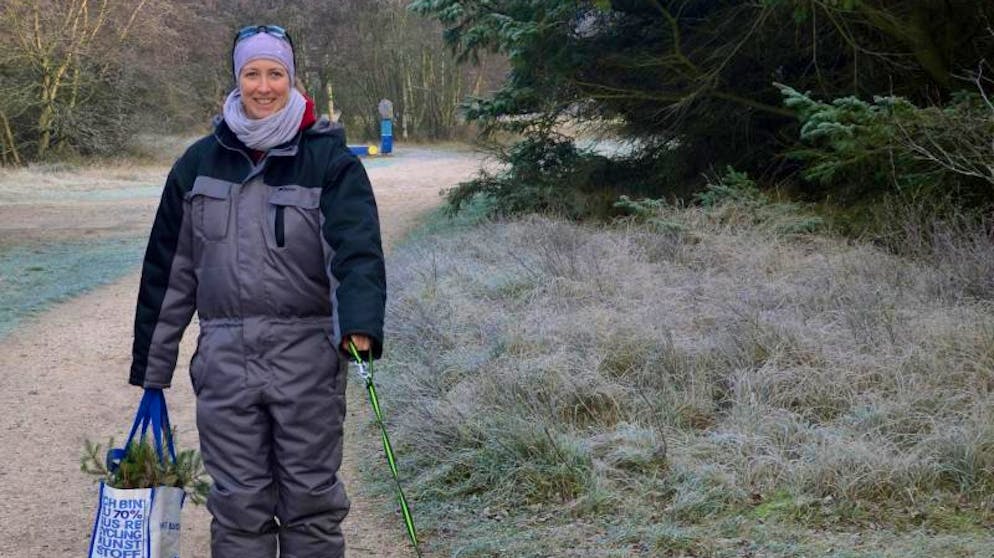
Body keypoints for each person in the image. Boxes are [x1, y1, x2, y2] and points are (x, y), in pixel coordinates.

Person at [127, 24, 385, 558]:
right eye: (252, 74)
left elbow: (355, 254)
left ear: (292, 80)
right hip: (225, 362)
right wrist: (154, 370)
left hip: (307, 359)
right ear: (236, 80)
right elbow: (167, 271)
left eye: (275, 74)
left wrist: (357, 325)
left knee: (310, 501)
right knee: (237, 503)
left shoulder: (330, 162)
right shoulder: (198, 164)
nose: (263, 86)